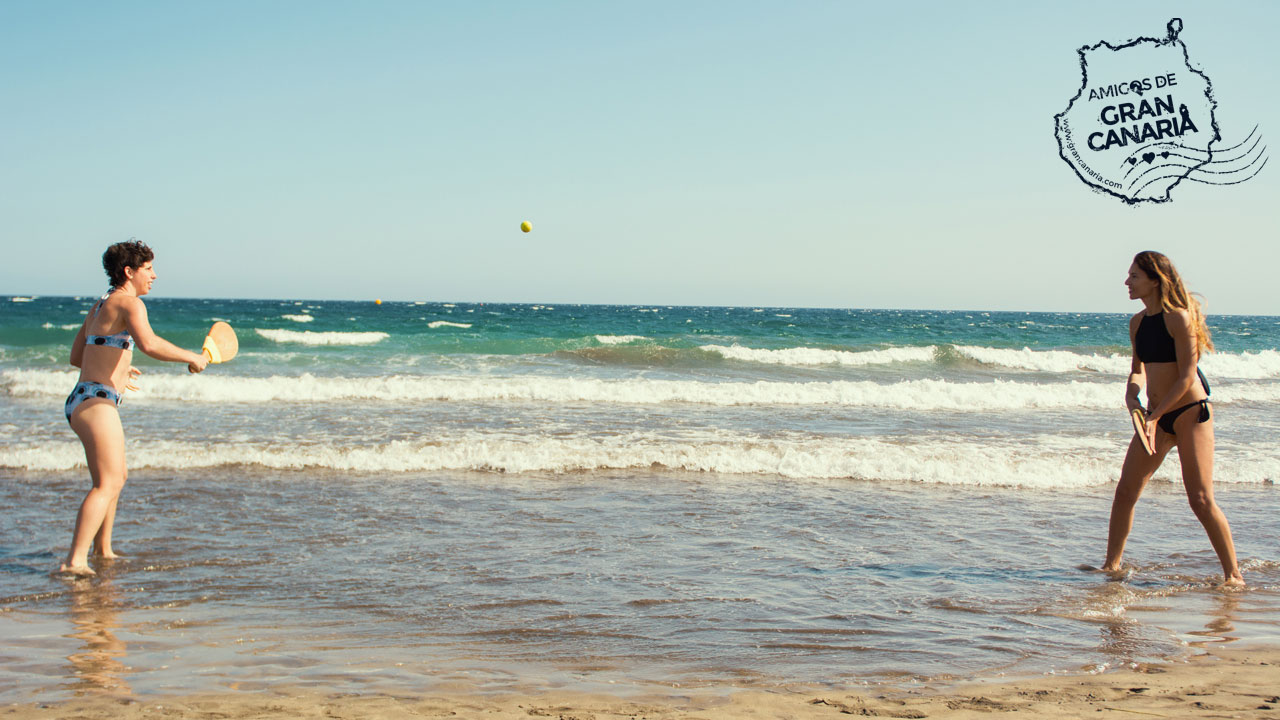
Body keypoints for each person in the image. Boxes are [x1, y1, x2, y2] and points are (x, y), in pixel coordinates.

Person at [57, 240, 208, 576]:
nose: (154, 275)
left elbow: (77, 357)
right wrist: (192, 357)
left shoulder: (100, 305)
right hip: (97, 402)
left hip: (81, 398)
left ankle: (103, 549)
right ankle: (74, 561)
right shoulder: (131, 304)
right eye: (149, 268)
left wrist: (120, 366)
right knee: (108, 483)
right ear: (129, 271)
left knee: (114, 478)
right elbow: (150, 344)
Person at [1103, 250, 1244, 586]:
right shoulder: (1137, 323)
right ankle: (1111, 566)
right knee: (1125, 493)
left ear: (1155, 280)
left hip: (1189, 413)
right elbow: (1137, 371)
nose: (1127, 282)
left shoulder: (1179, 318)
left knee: (1200, 498)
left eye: (1134, 276)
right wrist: (1131, 395)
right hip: (1154, 416)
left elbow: (1186, 376)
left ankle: (1234, 575)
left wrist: (1156, 416)